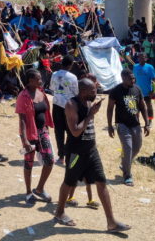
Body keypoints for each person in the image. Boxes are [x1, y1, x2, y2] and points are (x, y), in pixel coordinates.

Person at [54, 78, 130, 233]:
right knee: (69, 182)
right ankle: (59, 212)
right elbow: (75, 131)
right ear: (83, 91)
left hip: (91, 150)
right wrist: (90, 115)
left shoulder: (88, 102)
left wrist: (92, 111)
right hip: (76, 152)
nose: (96, 94)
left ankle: (111, 222)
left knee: (101, 182)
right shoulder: (71, 105)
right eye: (93, 91)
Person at [17, 68, 54, 205]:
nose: (41, 81)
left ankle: (39, 189)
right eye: (38, 79)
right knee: (29, 162)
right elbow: (22, 119)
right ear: (30, 81)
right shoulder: (23, 96)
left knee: (50, 161)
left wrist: (47, 129)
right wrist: (24, 139)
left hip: (42, 132)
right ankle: (28, 192)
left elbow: (44, 112)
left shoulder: (42, 93)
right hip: (30, 134)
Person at [107, 69, 150, 186]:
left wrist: (147, 123)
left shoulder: (137, 89)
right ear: (123, 78)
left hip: (135, 124)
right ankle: (127, 175)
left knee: (137, 147)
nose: (133, 80)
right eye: (130, 78)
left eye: (133, 78)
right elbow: (110, 109)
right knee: (128, 148)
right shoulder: (116, 91)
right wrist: (110, 126)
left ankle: (125, 163)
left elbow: (143, 107)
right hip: (122, 124)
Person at [48, 54, 78, 165]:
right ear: (70, 65)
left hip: (56, 105)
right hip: (68, 106)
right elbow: (76, 93)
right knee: (70, 131)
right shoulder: (73, 77)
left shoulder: (54, 74)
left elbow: (51, 88)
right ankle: (69, 154)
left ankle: (61, 156)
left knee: (58, 131)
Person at [133, 53, 155, 124]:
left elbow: (154, 80)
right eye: (140, 57)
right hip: (137, 91)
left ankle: (149, 120)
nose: (142, 59)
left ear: (146, 58)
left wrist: (153, 90)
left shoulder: (150, 67)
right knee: (136, 107)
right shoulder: (135, 67)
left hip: (147, 91)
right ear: (138, 58)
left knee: (149, 106)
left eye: (144, 57)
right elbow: (133, 79)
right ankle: (136, 121)